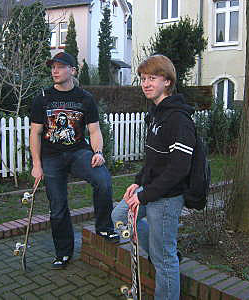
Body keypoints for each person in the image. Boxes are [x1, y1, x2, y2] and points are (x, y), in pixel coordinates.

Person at [111, 54, 196, 299]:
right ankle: (164, 251)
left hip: (167, 197)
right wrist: (138, 181)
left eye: (152, 78)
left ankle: (166, 256)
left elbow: (179, 169)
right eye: (143, 78)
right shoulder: (156, 113)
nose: (146, 83)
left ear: (167, 81)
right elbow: (153, 158)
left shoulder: (179, 119)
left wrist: (145, 195)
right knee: (119, 216)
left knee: (164, 261)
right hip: (149, 188)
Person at [30, 51, 119, 270]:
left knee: (103, 180)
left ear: (73, 70)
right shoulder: (42, 98)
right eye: (52, 67)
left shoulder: (85, 98)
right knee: (58, 206)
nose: (55, 70)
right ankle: (63, 252)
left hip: (79, 152)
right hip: (51, 157)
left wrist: (98, 152)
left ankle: (104, 227)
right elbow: (35, 133)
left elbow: (95, 130)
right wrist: (36, 164)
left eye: (60, 67)